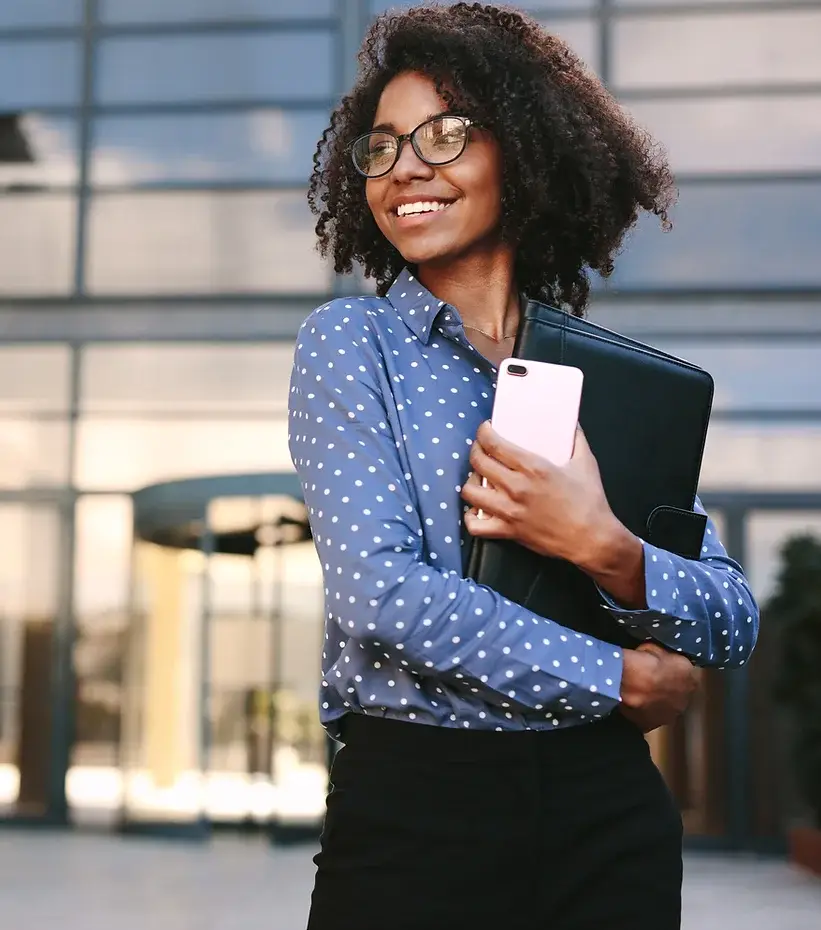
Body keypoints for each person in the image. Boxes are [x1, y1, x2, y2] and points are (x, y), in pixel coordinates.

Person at [288, 4, 760, 928]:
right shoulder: (353, 344)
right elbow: (380, 596)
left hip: (607, 812)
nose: (407, 168)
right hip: (418, 809)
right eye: (380, 147)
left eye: (446, 134)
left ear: (526, 150)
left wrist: (604, 545)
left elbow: (731, 616)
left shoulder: (609, 385)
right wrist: (620, 677)